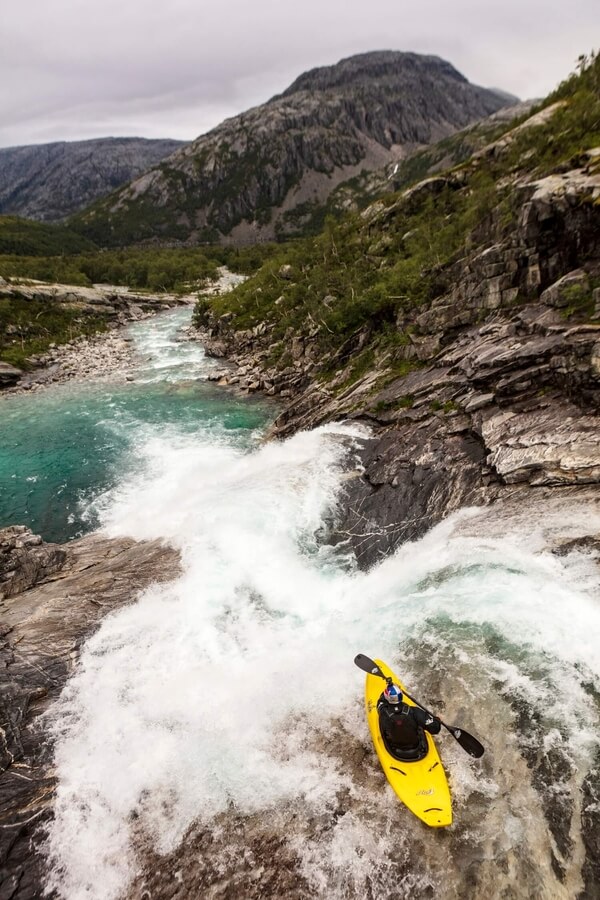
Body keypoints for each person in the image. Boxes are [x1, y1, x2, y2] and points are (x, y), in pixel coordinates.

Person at [377, 682, 441, 760]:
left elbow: (380, 702)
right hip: (417, 749)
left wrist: (389, 688)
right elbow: (435, 729)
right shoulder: (414, 711)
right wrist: (437, 721)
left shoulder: (383, 713)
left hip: (396, 751)